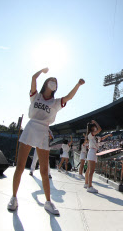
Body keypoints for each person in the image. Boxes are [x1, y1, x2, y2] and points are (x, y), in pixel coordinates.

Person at [8, 67, 85, 215]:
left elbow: (68, 97)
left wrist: (78, 85)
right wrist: (41, 71)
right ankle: (13, 197)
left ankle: (48, 202)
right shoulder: (35, 96)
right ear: (46, 83)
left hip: (44, 131)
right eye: (52, 80)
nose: (54, 83)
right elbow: (33, 78)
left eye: (56, 82)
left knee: (44, 170)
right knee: (20, 166)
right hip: (30, 128)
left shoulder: (56, 102)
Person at [84, 120, 112, 193]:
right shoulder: (90, 134)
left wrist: (108, 135)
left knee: (89, 170)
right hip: (92, 152)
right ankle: (89, 186)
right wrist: (96, 122)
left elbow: (102, 138)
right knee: (91, 171)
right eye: (94, 127)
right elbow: (100, 129)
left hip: (92, 152)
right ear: (92, 128)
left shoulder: (94, 136)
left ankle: (86, 184)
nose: (96, 128)